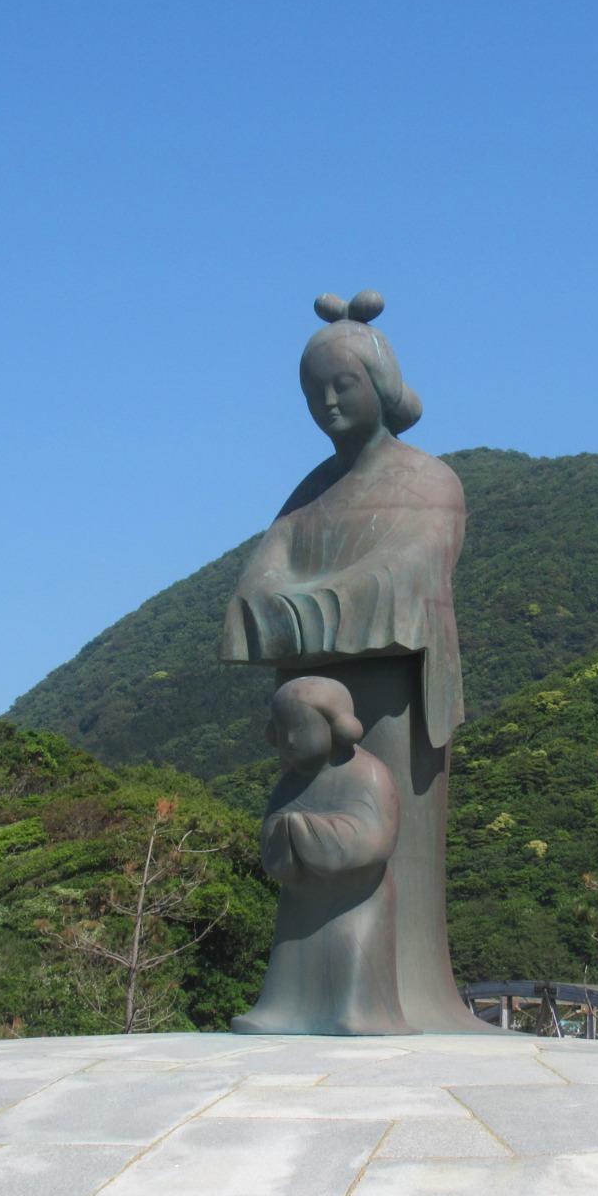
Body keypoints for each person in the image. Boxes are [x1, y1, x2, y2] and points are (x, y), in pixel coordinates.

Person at [222, 292, 490, 1033]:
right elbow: (254, 589)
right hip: (307, 704)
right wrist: (309, 606)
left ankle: (396, 997)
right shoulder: (310, 491)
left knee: (380, 849)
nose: (329, 402)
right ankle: (303, 1000)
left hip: (393, 703)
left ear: (380, 386)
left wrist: (301, 608)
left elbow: (407, 582)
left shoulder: (432, 481)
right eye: (315, 391)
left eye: (344, 384)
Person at [232, 676, 414, 1036]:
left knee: (352, 955)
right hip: (302, 896)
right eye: (280, 730)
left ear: (337, 727)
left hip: (357, 899)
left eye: (297, 728)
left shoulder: (369, 774)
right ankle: (281, 1010)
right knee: (289, 960)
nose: (288, 740)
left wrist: (303, 830)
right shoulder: (289, 782)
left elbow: (375, 839)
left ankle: (357, 1013)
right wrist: (287, 836)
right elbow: (270, 836)